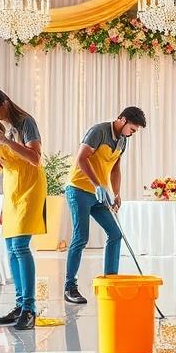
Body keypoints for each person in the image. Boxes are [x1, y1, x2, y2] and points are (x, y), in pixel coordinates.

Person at [63, 106, 146, 305]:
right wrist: (97, 185)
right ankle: (69, 286)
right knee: (81, 237)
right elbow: (81, 159)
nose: (132, 134)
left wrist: (116, 193)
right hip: (79, 189)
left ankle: (110, 280)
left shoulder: (123, 141)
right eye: (132, 129)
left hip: (100, 194)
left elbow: (115, 169)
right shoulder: (98, 131)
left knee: (116, 233)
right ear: (122, 120)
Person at [0, 88, 47, 331]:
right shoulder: (2, 128)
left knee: (20, 246)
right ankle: (20, 305)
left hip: (30, 186)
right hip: (12, 188)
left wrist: (4, 140)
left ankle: (29, 308)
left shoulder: (25, 123)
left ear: (4, 104)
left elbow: (35, 158)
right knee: (10, 248)